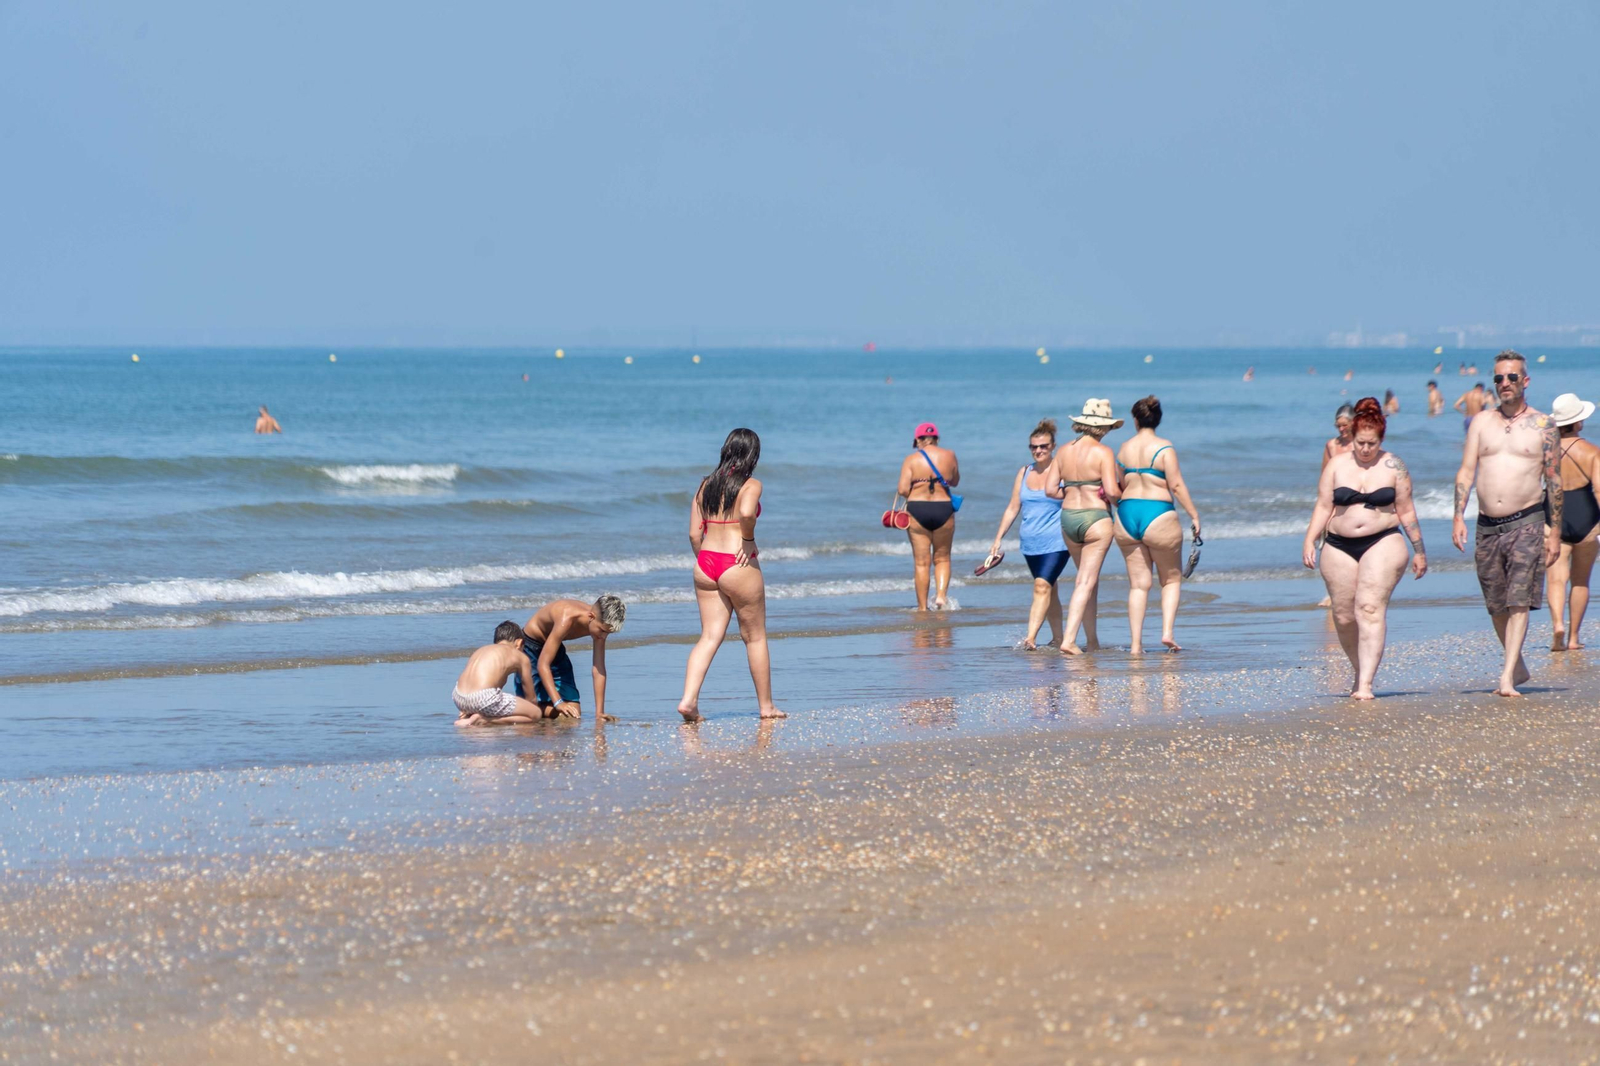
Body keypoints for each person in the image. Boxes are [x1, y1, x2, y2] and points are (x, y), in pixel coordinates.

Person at [1452, 350, 1562, 697]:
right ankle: (1517, 665)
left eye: (1512, 377)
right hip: (1487, 525)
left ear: (1525, 381)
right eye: (1499, 377)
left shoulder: (1544, 426)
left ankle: (1505, 677)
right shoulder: (1481, 422)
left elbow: (1554, 481)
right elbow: (1467, 470)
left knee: (1518, 600)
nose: (1504, 383)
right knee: (1496, 603)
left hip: (1528, 522)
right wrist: (1459, 514)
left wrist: (1554, 531)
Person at [1302, 398, 1427, 700]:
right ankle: (1360, 670)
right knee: (1343, 616)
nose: (1366, 449)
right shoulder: (1336, 465)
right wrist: (1309, 539)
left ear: (1381, 440)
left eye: (1372, 443)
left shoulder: (1394, 465)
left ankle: (1366, 684)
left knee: (1369, 607)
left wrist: (1419, 550)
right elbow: (1323, 505)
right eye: (1361, 443)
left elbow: (1406, 510)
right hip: (1338, 544)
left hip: (1383, 539)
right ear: (1353, 438)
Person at [679, 428, 786, 721]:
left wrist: (704, 560)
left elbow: (692, 533)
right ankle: (766, 707)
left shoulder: (705, 486)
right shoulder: (750, 485)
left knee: (709, 637)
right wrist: (748, 541)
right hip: (736, 563)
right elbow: (748, 514)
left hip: (705, 563)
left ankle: (689, 701)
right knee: (755, 638)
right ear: (752, 455)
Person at [1113, 396, 1201, 654]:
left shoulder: (1124, 448)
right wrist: (1194, 515)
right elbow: (1175, 485)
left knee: (1138, 585)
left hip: (1127, 515)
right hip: (1158, 512)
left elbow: (1120, 486)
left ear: (1135, 419)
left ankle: (1136, 645)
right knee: (1171, 580)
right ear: (1158, 419)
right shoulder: (1165, 448)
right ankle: (1167, 633)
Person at [987, 419, 1069, 649]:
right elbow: (1013, 507)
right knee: (1049, 589)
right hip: (1030, 544)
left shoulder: (1062, 472)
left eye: (1043, 446)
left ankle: (1031, 637)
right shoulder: (1024, 472)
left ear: (1053, 446)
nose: (1038, 451)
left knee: (1041, 586)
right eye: (1034, 447)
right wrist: (998, 539)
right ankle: (1059, 638)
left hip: (1057, 542)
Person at [1050, 399, 1122, 656]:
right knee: (1086, 581)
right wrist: (1121, 500)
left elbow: (1049, 489)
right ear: (1103, 428)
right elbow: (1112, 491)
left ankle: (1092, 642)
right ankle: (1069, 641)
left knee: (1088, 582)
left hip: (1068, 518)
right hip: (1096, 519)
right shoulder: (1103, 452)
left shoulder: (1063, 451)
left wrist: (1072, 492)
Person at [1546, 393, 1600, 651]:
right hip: (1586, 517)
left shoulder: (1547, 451)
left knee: (1556, 579)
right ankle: (1574, 637)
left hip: (1554, 517)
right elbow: (1599, 491)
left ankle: (1558, 624)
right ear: (1578, 421)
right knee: (1580, 581)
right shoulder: (1592, 451)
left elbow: (1537, 487)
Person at [514, 595, 625, 719]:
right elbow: (542, 664)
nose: (604, 637)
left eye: (608, 633)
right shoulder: (567, 618)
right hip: (530, 645)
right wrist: (558, 703)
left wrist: (599, 713)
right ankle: (528, 706)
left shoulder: (599, 627)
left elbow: (598, 669)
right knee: (531, 706)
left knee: (573, 713)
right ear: (591, 617)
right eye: (602, 631)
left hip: (554, 646)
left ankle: (545, 707)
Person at [895, 422, 961, 610]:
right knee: (943, 558)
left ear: (917, 440)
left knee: (922, 563)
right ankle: (941, 597)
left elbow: (902, 489)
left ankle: (923, 608)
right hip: (943, 508)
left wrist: (917, 494)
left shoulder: (911, 459)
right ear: (937, 439)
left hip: (918, 509)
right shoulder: (950, 455)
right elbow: (955, 481)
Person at [453, 621, 547, 726]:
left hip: (459, 697)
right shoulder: (520, 656)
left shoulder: (482, 650)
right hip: (483, 698)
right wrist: (531, 709)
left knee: (489, 702)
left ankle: (467, 715)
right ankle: (485, 720)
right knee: (536, 714)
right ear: (519, 643)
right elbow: (531, 699)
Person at [1321, 404, 1355, 470]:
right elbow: (1324, 473)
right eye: (1338, 426)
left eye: (1345, 425)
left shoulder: (1363, 444)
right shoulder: (1331, 445)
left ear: (1353, 423)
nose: (1341, 429)